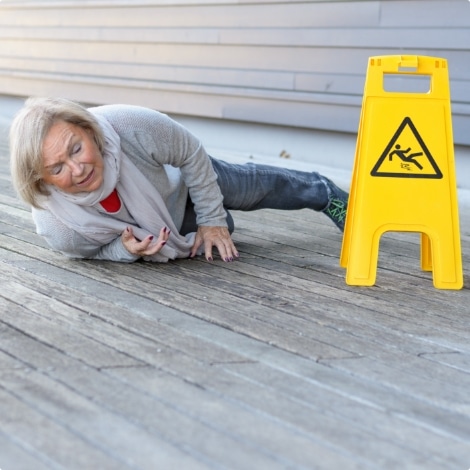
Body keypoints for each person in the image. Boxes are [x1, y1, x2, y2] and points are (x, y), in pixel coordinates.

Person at [9, 97, 348, 264]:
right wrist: (123, 250)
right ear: (41, 179)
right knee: (218, 228)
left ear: (87, 129)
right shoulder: (59, 228)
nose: (78, 168)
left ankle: (324, 194)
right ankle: (212, 218)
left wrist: (212, 220)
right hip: (168, 223)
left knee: (246, 189)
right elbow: (87, 254)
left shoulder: (128, 125)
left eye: (76, 148)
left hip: (180, 179)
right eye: (57, 168)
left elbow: (190, 152)